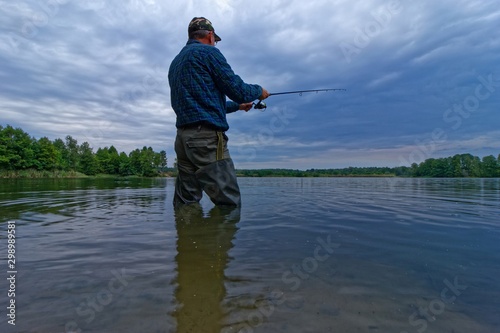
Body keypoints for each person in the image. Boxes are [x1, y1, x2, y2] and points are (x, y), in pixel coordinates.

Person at [169, 17, 270, 207]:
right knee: (228, 203)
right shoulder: (209, 53)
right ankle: (217, 237)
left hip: (183, 140)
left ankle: (186, 236)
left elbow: (203, 103)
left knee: (186, 203)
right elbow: (239, 91)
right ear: (210, 35)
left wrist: (238, 106)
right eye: (215, 39)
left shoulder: (176, 62)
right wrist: (259, 91)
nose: (215, 43)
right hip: (206, 139)